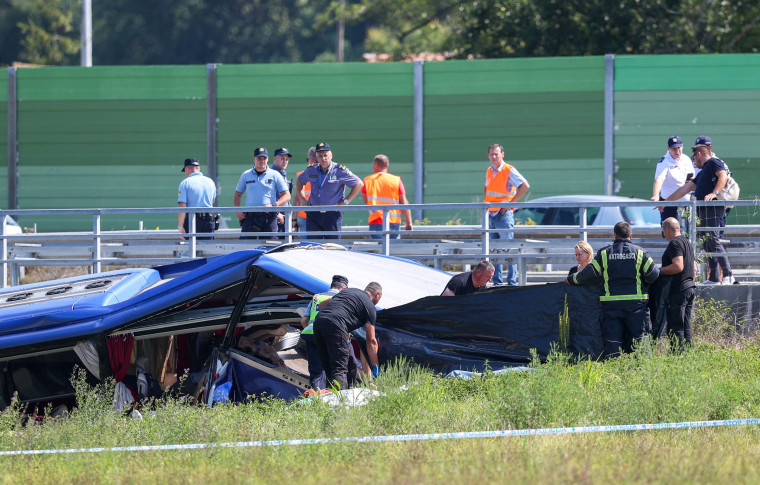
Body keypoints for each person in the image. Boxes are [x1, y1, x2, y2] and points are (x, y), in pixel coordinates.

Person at [565, 222, 660, 358]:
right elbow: (654, 275)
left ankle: (614, 366)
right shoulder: (640, 252)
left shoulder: (605, 253)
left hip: (612, 305)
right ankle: (644, 367)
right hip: (636, 305)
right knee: (640, 338)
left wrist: (571, 279)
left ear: (615, 235)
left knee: (613, 341)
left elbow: (589, 273)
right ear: (630, 236)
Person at [664, 145, 734, 284]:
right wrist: (666, 202)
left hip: (712, 209)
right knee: (707, 243)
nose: (693, 161)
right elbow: (686, 188)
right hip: (703, 210)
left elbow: (723, 176)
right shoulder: (703, 172)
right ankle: (713, 278)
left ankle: (728, 274)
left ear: (699, 154)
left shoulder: (714, 162)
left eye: (693, 157)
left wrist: (714, 193)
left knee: (713, 240)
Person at [313, 282, 382, 390]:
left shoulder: (349, 291)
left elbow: (321, 305)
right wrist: (376, 367)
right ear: (377, 295)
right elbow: (371, 340)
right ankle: (338, 401)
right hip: (336, 324)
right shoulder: (370, 307)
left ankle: (327, 397)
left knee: (329, 367)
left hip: (319, 322)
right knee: (340, 368)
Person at [484, 144, 530, 286]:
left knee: (509, 250)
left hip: (503, 215)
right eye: (491, 154)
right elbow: (488, 190)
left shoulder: (508, 170)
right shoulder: (489, 170)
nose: (494, 157)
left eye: (496, 154)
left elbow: (525, 186)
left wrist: (511, 203)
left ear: (502, 154)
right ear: (488, 155)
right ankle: (497, 282)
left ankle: (512, 282)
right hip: (491, 214)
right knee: (494, 251)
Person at [296, 142, 363, 238]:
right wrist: (302, 198)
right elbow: (299, 181)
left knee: (332, 246)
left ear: (331, 156)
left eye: (325, 155)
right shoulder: (312, 169)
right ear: (317, 157)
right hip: (313, 214)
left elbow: (358, 184)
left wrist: (345, 201)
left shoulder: (340, 170)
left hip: (332, 214)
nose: (323, 158)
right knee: (313, 246)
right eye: (320, 156)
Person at [300, 275, 349, 389]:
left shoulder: (316, 297)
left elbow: (303, 321)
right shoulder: (342, 298)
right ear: (344, 288)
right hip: (329, 336)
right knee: (333, 370)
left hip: (310, 334)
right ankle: (330, 397)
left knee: (316, 371)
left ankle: (316, 397)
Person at [233, 147, 291, 238]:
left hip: (269, 217)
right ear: (254, 159)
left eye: (264, 158)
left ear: (267, 159)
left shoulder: (275, 175)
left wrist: (274, 206)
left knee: (270, 247)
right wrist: (237, 209)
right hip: (250, 217)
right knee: (246, 246)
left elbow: (287, 195)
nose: (262, 161)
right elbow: (237, 194)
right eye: (259, 158)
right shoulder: (246, 175)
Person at [660, 217, 696, 352]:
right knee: (685, 324)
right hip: (689, 287)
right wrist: (689, 283)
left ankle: (678, 354)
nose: (664, 234)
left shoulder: (674, 244)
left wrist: (660, 271)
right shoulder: (687, 242)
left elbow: (678, 266)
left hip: (679, 290)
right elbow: (694, 268)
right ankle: (689, 352)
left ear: (667, 230)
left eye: (663, 231)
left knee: (676, 324)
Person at [362, 154, 413, 239]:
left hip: (375, 222)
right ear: (387, 165)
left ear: (375, 164)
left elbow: (366, 200)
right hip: (393, 222)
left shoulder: (368, 180)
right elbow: (404, 202)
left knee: (377, 250)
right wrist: (409, 223)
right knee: (393, 250)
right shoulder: (396, 180)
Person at [651, 136, 693, 225]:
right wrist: (655, 195)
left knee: (689, 232)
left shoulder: (686, 159)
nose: (677, 151)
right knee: (669, 231)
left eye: (679, 148)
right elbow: (659, 179)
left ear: (682, 146)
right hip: (669, 204)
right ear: (668, 148)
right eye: (674, 149)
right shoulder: (664, 162)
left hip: (686, 203)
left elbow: (691, 178)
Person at [177, 158, 217, 240]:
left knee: (191, 249)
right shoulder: (210, 181)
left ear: (187, 168)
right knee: (208, 250)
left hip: (193, 221)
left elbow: (182, 205)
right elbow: (213, 200)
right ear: (198, 168)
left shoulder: (185, 183)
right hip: (209, 220)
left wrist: (180, 227)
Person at [271, 147, 293, 235]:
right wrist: (276, 213)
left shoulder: (282, 174)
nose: (285, 161)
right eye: (282, 158)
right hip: (275, 217)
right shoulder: (271, 174)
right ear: (275, 159)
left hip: (284, 216)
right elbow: (267, 196)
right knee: (276, 245)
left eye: (287, 159)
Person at [294, 147, 316, 234]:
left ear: (310, 160)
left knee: (306, 245)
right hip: (321, 215)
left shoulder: (301, 176)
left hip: (305, 216)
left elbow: (297, 200)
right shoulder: (325, 176)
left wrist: (294, 219)